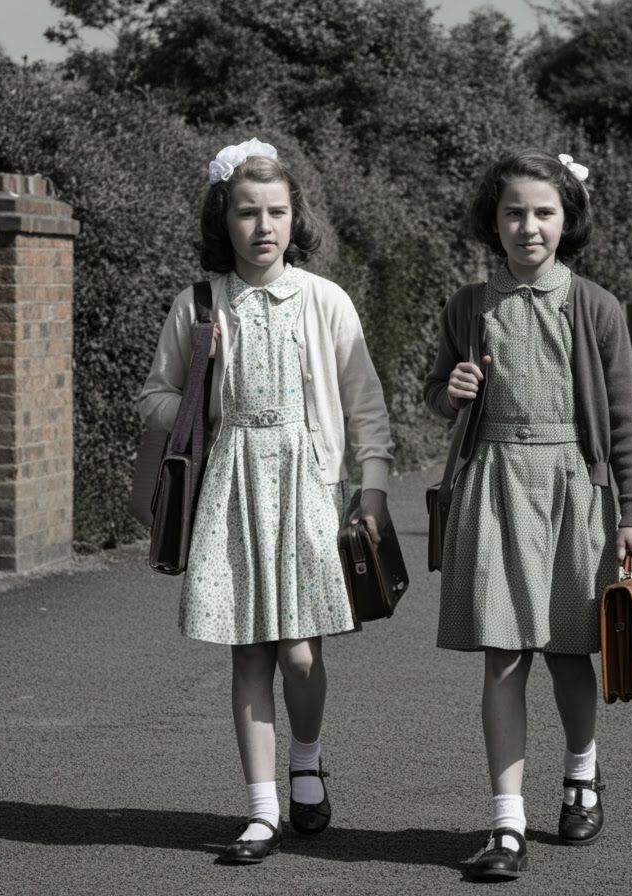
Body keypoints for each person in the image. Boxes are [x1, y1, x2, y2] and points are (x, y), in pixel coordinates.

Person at [138, 138, 394, 865]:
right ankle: (260, 811)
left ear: (294, 217)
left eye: (276, 210)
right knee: (249, 651)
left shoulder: (326, 299)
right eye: (248, 212)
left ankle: (306, 760)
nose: (263, 225)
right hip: (231, 487)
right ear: (225, 219)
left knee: (302, 654)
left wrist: (371, 485)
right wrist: (200, 386)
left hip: (308, 486)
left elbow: (366, 406)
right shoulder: (197, 305)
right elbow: (153, 399)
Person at [424, 149, 632, 881]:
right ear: (492, 220)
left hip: (572, 489)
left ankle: (581, 776)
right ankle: (506, 824)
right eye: (515, 211)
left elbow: (623, 422)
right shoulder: (467, 305)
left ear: (568, 219)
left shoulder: (595, 307)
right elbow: (437, 393)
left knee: (569, 650)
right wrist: (451, 391)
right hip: (492, 482)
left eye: (543, 212)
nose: (529, 226)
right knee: (504, 651)